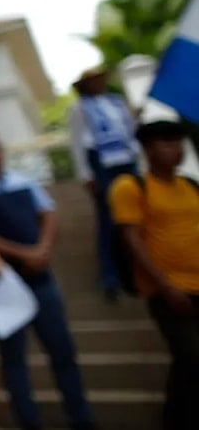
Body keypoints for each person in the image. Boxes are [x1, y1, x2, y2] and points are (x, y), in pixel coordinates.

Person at [0, 132, 95, 430]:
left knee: (61, 349)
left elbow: (47, 213)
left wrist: (42, 249)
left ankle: (80, 416)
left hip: (40, 277)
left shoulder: (22, 181)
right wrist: (22, 254)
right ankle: (28, 420)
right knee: (13, 357)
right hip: (1, 283)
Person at [109, 120, 199, 429]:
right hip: (168, 291)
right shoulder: (130, 187)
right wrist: (165, 286)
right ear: (147, 150)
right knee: (190, 357)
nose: (177, 149)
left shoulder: (190, 184)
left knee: (189, 365)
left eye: (179, 142)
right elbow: (131, 239)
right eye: (167, 143)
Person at [67, 65, 139, 300]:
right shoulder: (79, 108)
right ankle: (110, 275)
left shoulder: (117, 102)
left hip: (126, 159)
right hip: (101, 163)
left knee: (134, 213)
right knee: (108, 218)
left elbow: (129, 129)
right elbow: (77, 142)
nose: (99, 83)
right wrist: (86, 173)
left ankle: (136, 268)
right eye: (94, 80)